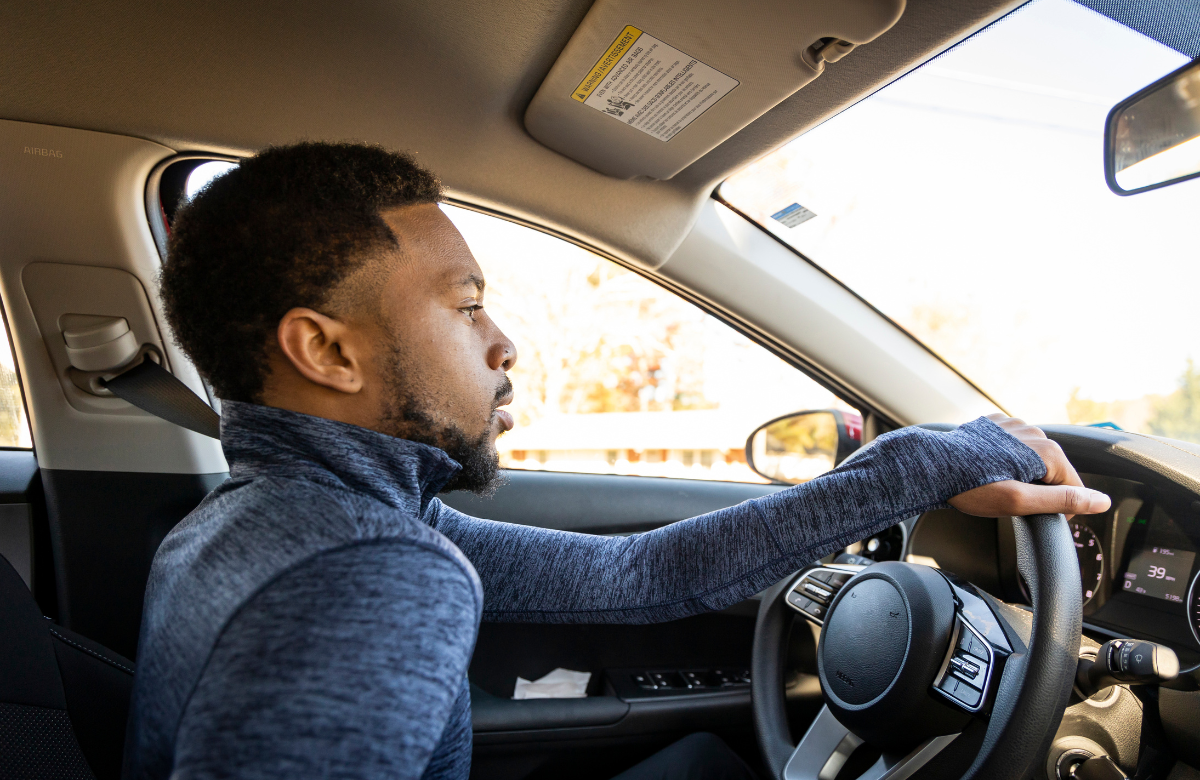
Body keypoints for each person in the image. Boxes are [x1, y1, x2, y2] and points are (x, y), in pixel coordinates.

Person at [124, 142, 1111, 780]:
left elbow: (641, 575)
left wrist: (912, 467)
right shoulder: (370, 576)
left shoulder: (279, 517)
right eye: (466, 306)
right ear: (328, 352)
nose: (502, 342)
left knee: (700, 767)